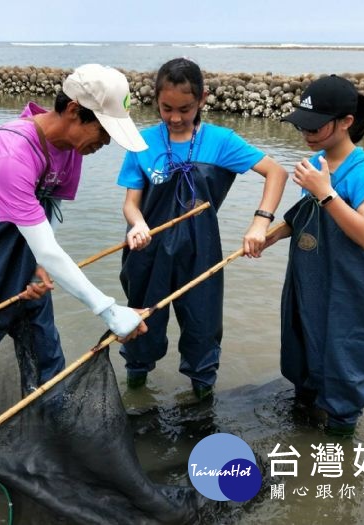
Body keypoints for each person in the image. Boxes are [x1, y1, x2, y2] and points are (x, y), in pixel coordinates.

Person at [0, 64, 149, 400]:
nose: (106, 142)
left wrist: (40, 267)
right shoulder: (10, 154)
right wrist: (109, 311)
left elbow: (43, 218)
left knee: (46, 358)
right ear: (74, 111)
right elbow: (49, 248)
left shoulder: (69, 150)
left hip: (26, 262)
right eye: (104, 131)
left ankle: (50, 425)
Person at [116, 58, 288, 400]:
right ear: (155, 100)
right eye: (166, 108)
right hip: (147, 253)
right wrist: (136, 225)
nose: (176, 117)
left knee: (203, 332)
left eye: (185, 108)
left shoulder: (221, 141)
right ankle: (136, 396)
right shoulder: (141, 142)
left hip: (201, 254)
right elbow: (131, 203)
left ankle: (201, 400)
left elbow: (276, 173)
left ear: (203, 99)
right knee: (139, 331)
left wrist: (260, 222)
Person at [269, 74, 364, 436]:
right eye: (303, 125)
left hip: (348, 296)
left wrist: (325, 192)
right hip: (311, 286)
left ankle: (339, 458)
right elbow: (306, 217)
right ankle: (303, 449)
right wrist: (270, 236)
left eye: (317, 126)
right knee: (304, 359)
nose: (307, 133)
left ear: (346, 123)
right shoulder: (319, 161)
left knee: (342, 375)